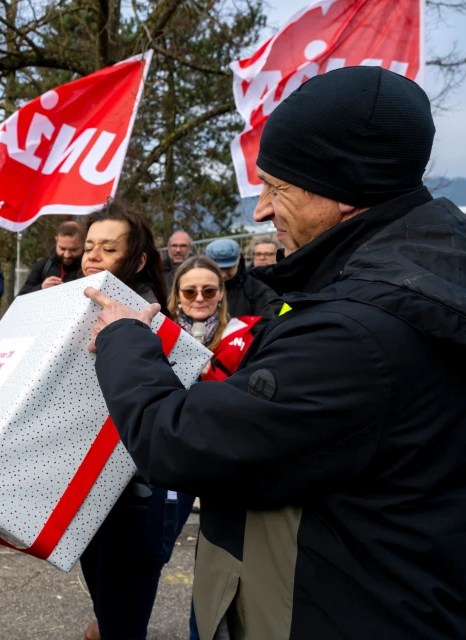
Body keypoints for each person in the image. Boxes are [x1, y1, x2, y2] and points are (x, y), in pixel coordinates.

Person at [85, 67, 466, 639]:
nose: (261, 210)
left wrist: (123, 338)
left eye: (278, 188)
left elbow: (179, 441)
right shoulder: (415, 281)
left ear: (344, 190)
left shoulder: (358, 331)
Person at [77, 200, 193, 640]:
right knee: (108, 603)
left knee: (123, 616)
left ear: (138, 260)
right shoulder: (86, 305)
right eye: (89, 246)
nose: (92, 256)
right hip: (95, 488)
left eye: (108, 249)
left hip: (138, 497)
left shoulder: (149, 321)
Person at [205, 238, 277, 320]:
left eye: (228, 268)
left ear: (238, 260)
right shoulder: (199, 286)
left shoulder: (256, 288)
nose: (223, 275)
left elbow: (264, 321)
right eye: (218, 269)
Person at [18, 221, 85, 295]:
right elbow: (21, 297)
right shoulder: (42, 266)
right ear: (56, 240)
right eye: (62, 249)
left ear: (84, 244)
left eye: (73, 250)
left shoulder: (89, 268)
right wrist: (41, 288)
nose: (67, 255)